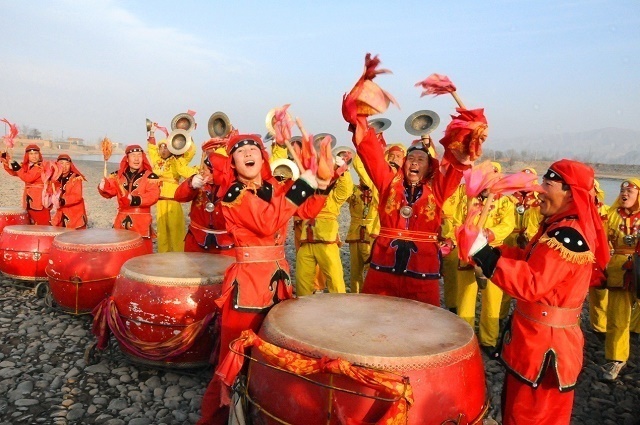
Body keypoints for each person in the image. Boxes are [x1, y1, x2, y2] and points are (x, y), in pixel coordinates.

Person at [197, 133, 329, 425]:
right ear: (232, 163)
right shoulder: (233, 196)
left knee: (272, 351)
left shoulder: (277, 187)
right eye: (240, 151)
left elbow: (308, 210)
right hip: (248, 286)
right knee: (233, 357)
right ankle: (213, 419)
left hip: (278, 282)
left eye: (253, 148)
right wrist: (303, 184)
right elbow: (267, 222)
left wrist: (321, 183)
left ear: (263, 156)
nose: (247, 153)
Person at [465, 159, 609, 425]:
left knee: (533, 415)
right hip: (533, 339)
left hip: (545, 347)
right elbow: (527, 260)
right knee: (518, 410)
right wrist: (491, 250)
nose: (539, 191)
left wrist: (485, 256)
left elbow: (532, 283)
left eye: (547, 184)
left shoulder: (568, 236)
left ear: (569, 192)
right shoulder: (556, 227)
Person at [454, 162, 515, 355]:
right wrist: (466, 235)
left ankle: (488, 340)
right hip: (467, 253)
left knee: (492, 299)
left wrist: (488, 234)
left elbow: (508, 225)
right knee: (465, 297)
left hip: (492, 254)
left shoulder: (506, 203)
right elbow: (457, 220)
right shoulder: (468, 199)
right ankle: (464, 339)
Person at [295, 147, 353, 296]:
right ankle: (303, 307)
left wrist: (343, 171)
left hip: (327, 242)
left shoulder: (333, 194)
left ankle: (340, 308)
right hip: (306, 241)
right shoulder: (308, 191)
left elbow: (346, 190)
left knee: (335, 281)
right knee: (302, 281)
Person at [601, 178, 640, 380]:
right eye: (622, 191)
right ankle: (616, 359)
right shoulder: (611, 216)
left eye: (630, 191)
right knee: (617, 317)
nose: (624, 194)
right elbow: (600, 241)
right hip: (619, 270)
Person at [174, 140, 234, 256]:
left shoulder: (232, 187)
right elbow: (179, 197)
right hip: (197, 241)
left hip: (225, 244)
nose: (202, 172)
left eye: (206, 170)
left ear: (216, 171)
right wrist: (190, 185)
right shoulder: (199, 184)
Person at [98, 145, 160, 252]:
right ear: (127, 158)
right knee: (121, 252)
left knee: (142, 253)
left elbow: (153, 196)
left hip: (141, 222)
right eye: (133, 155)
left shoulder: (151, 177)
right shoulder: (117, 176)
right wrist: (103, 187)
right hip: (121, 219)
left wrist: (134, 199)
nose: (136, 159)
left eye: (139, 155)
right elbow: (110, 192)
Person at [148, 129, 197, 252]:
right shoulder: (157, 161)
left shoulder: (177, 160)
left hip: (173, 199)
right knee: (162, 229)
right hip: (160, 200)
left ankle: (178, 254)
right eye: (161, 147)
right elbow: (152, 150)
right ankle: (163, 255)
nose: (163, 150)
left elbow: (190, 153)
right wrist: (152, 134)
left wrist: (185, 137)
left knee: (175, 228)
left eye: (166, 147)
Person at [1, 144, 51, 225]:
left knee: (42, 223)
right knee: (30, 224)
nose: (34, 156)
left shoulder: (41, 166)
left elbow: (28, 178)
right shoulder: (27, 166)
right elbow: (14, 173)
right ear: (27, 155)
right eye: (31, 154)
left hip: (39, 200)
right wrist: (6, 161)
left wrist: (16, 166)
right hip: (28, 199)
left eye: (36, 153)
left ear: (39, 154)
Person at [48, 154, 88, 229]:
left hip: (75, 215)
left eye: (67, 164)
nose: (64, 166)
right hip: (62, 214)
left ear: (70, 165)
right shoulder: (55, 179)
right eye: (61, 163)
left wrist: (62, 201)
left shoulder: (76, 178)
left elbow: (77, 196)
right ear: (57, 165)